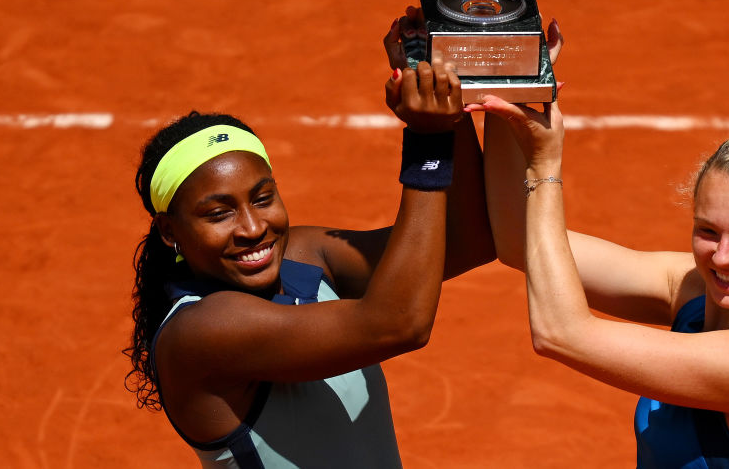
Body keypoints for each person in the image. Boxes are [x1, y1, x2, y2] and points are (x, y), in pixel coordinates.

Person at [124, 50, 495, 468]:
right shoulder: (201, 331)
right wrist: (428, 142)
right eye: (219, 213)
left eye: (263, 198)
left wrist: (443, 84)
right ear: (169, 230)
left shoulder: (306, 255)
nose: (252, 228)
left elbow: (468, 240)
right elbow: (398, 325)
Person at [472, 84, 729, 468]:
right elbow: (516, 239)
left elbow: (560, 333)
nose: (723, 258)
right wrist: (506, 81)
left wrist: (544, 169)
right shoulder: (696, 288)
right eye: (708, 231)